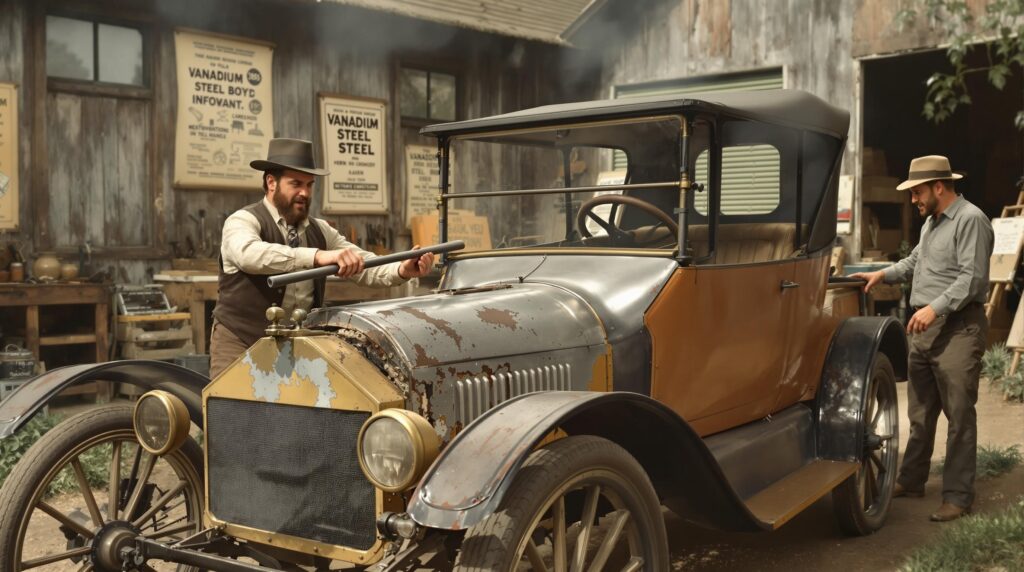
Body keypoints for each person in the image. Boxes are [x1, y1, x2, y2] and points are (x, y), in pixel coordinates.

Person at [209, 138, 433, 377]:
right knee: (231, 411)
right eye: (295, 184)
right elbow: (249, 255)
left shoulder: (320, 230)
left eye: (309, 184)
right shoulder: (242, 221)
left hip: (298, 347)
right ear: (271, 182)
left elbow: (362, 264)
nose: (304, 193)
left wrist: (401, 270)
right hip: (240, 342)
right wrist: (317, 257)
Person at [851, 155, 993, 522]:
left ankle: (958, 496)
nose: (913, 199)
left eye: (917, 192)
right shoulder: (931, 223)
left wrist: (934, 307)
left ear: (938, 187)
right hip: (924, 330)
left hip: (958, 328)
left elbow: (971, 279)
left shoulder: (970, 220)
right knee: (920, 412)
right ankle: (912, 479)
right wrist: (881, 274)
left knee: (959, 415)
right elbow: (915, 262)